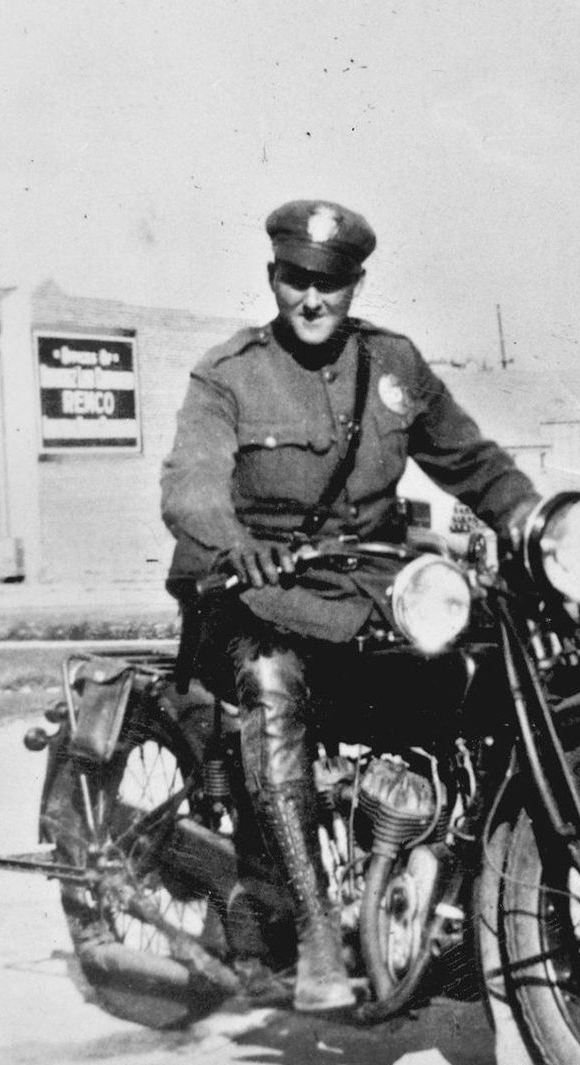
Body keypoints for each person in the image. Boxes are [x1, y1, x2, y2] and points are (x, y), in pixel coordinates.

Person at [161, 199, 539, 1011]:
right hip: (253, 595)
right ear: (272, 276)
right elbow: (190, 481)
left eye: (328, 283)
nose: (310, 298)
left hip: (367, 594)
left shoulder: (394, 365)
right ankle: (317, 934)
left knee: (479, 672)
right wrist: (233, 542)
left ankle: (455, 900)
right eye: (295, 278)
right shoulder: (228, 374)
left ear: (353, 284)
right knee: (272, 685)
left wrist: (534, 521)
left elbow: (470, 460)